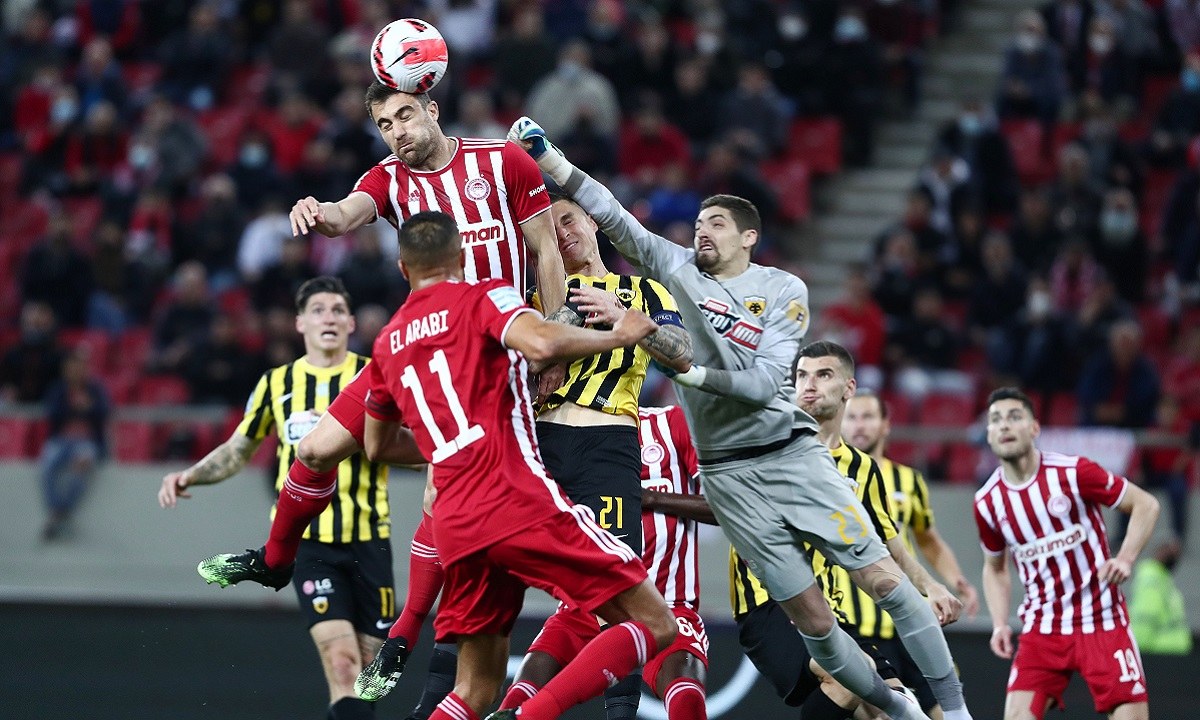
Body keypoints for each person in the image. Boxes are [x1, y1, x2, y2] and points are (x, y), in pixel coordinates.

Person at [509, 117, 975, 720]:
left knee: (884, 582)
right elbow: (614, 215)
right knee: (815, 626)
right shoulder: (673, 271)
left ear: (749, 236)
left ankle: (955, 711)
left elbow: (762, 380)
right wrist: (549, 156)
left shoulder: (782, 289)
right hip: (729, 475)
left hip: (787, 453)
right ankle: (895, 706)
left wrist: (667, 355)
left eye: (716, 223)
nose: (701, 231)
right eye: (698, 223)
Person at [181, 79, 568, 714]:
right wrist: (317, 211)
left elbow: (546, 251)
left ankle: (402, 638)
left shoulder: (503, 161)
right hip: (417, 342)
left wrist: (549, 343)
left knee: (441, 499)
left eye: (406, 116)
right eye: (386, 124)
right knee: (314, 448)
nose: (398, 133)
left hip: (490, 355)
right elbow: (346, 213)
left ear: (433, 109)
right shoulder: (389, 179)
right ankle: (276, 560)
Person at [360, 211, 676, 720]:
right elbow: (542, 344)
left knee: (475, 688)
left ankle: (418, 647)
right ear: (460, 257)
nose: (563, 234)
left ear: (403, 268)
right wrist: (620, 334)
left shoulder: (386, 343)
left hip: (469, 517)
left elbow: (376, 446)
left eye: (571, 221)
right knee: (652, 621)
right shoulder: (494, 299)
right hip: (520, 489)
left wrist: (452, 442)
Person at [158, 277, 421, 720]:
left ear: (351, 322)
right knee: (342, 664)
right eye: (318, 310)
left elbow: (415, 445)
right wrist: (191, 475)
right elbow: (238, 449)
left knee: (365, 683)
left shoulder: (377, 374)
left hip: (370, 541)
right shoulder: (277, 383)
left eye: (337, 310)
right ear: (300, 323)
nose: (328, 318)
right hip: (310, 546)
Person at [499, 405, 709, 720]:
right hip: (586, 605)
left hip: (669, 604)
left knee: (687, 697)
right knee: (522, 689)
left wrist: (650, 498)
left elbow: (725, 506)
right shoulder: (565, 428)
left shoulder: (672, 422)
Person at [975, 387, 1160, 720]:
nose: (1004, 425)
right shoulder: (987, 502)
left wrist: (1125, 558)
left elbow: (1146, 504)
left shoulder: (1073, 473)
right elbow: (995, 567)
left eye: (1014, 417)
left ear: (1034, 428)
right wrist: (1000, 623)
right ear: (988, 434)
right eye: (996, 420)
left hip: (1102, 621)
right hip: (1043, 629)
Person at [842, 388, 982, 718]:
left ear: (886, 424)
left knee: (948, 711)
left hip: (910, 621)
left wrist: (955, 579)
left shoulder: (908, 480)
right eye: (851, 417)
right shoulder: (829, 477)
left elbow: (927, 539)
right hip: (858, 625)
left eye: (868, 417)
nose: (859, 425)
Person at [40, 344, 110, 541]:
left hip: (86, 441)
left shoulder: (95, 390)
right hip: (61, 439)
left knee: (81, 467)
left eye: (79, 366)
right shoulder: (58, 390)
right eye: (72, 367)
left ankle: (59, 513)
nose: (76, 371)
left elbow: (104, 412)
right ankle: (58, 510)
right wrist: (73, 407)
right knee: (48, 465)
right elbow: (52, 414)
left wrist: (89, 407)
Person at [1128, 539, 1192, 656]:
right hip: (1163, 650)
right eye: (1169, 549)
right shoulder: (1153, 579)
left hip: (1165, 650)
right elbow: (1147, 615)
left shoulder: (1161, 579)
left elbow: (1147, 616)